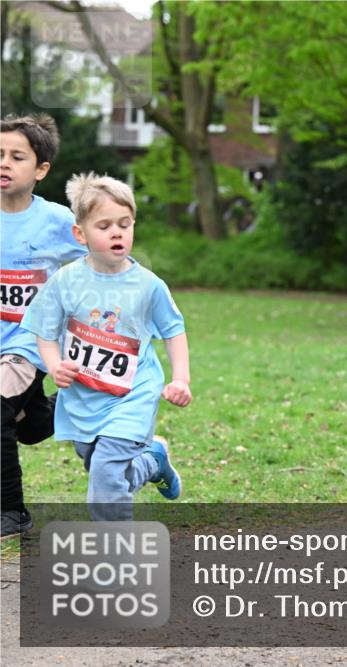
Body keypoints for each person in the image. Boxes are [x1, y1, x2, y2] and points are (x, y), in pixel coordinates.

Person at [21, 173, 190, 522]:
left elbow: (174, 330)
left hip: (133, 395)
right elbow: (44, 329)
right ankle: (153, 459)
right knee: (103, 467)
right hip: (84, 399)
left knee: (106, 471)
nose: (117, 232)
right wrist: (54, 365)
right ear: (80, 234)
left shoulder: (148, 285)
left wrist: (181, 379)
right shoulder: (66, 281)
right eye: (105, 225)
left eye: (124, 224)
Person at [0, 113, 86, 538]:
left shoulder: (56, 221)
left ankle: (12, 512)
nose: (4, 163)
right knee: (29, 428)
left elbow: (108, 254)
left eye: (17, 156)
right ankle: (76, 407)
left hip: (31, 343)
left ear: (41, 170)